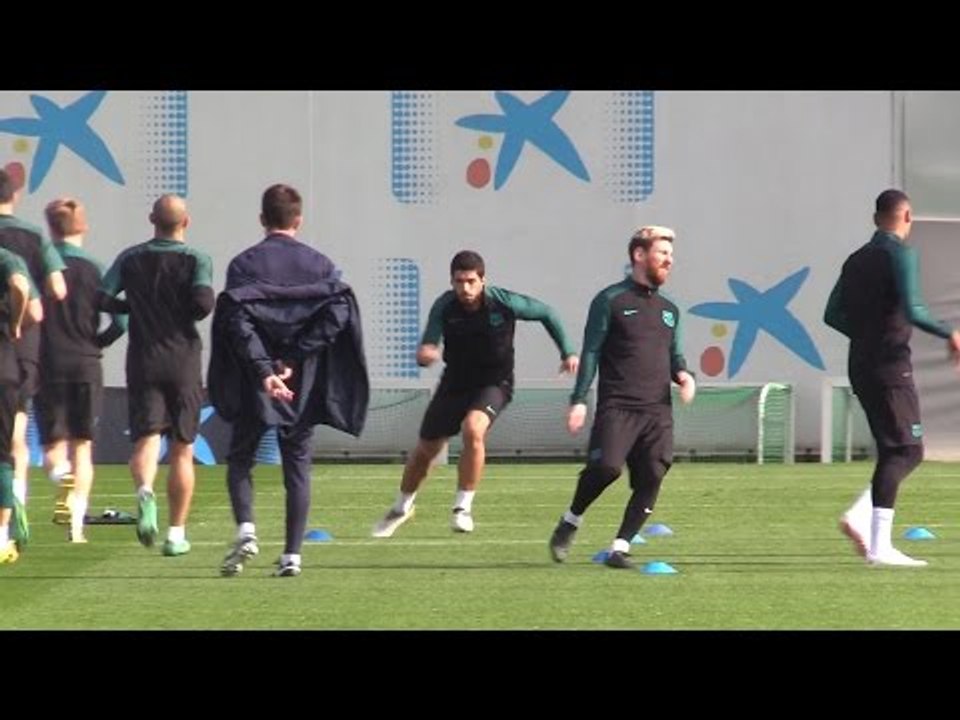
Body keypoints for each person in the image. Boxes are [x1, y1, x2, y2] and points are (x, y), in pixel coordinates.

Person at [209, 184, 368, 578]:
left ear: (263, 219)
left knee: (241, 457)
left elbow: (238, 323)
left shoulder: (243, 265)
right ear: (298, 220)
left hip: (255, 379)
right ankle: (293, 555)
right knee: (297, 464)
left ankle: (246, 528)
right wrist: (294, 358)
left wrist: (264, 369)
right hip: (301, 380)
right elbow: (338, 316)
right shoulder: (321, 266)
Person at [372, 249, 579, 538]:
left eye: (471, 281)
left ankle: (462, 507)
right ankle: (402, 507)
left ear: (483, 280)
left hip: (494, 383)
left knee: (473, 429)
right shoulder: (444, 306)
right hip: (454, 383)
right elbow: (429, 342)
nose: (465, 288)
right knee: (425, 451)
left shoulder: (503, 302)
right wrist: (426, 353)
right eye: (459, 282)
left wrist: (567, 350)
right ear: (452, 281)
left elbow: (547, 313)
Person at [824, 189, 960, 567]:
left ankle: (861, 520)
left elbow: (832, 314)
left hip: (861, 364)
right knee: (907, 450)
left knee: (892, 450)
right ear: (907, 218)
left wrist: (866, 334)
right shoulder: (900, 254)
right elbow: (914, 309)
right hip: (890, 364)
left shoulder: (855, 260)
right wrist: (949, 332)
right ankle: (878, 546)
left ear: (874, 219)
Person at [548, 226, 696, 569]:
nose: (669, 261)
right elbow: (591, 352)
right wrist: (579, 398)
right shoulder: (610, 300)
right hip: (619, 406)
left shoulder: (670, 310)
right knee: (607, 468)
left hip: (657, 410)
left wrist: (685, 376)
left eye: (671, 256)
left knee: (653, 475)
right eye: (662, 253)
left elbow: (675, 357)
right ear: (639, 255)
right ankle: (571, 520)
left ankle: (620, 547)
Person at [100, 194, 214, 557]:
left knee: (146, 439)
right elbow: (203, 304)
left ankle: (144, 493)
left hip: (144, 359)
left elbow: (100, 297)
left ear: (152, 219)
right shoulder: (197, 258)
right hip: (183, 360)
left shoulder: (131, 257)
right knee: (183, 449)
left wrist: (131, 307)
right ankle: (176, 533)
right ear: (187, 222)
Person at [37, 198, 126, 543]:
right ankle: (77, 527)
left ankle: (61, 478)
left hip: (49, 363)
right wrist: (97, 344)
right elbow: (121, 321)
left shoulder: (41, 268)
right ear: (83, 226)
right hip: (86, 363)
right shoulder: (96, 270)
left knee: (53, 449)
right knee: (83, 446)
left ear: (50, 228)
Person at [0, 168, 67, 550]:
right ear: (15, 196)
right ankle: (17, 500)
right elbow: (58, 287)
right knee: (15, 432)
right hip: (18, 343)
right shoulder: (32, 236)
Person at [0, 247, 42, 563]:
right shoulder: (6, 258)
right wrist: (15, 322)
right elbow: (20, 285)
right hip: (3, 365)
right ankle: (1, 538)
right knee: (3, 453)